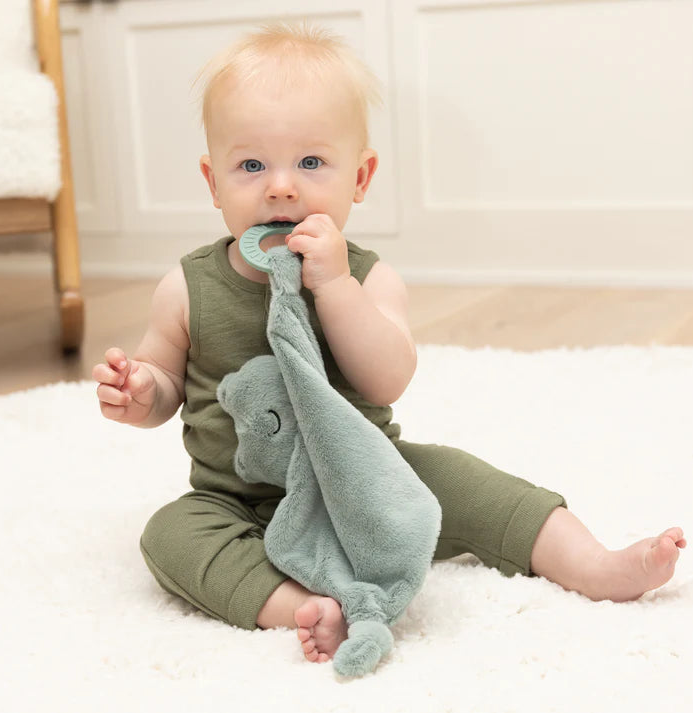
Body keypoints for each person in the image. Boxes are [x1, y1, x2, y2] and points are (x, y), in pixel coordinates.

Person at [92, 22, 686, 665]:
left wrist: (337, 286)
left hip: (369, 484)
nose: (281, 186)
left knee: (469, 481)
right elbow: (167, 382)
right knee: (169, 535)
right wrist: (143, 391)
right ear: (213, 182)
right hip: (238, 502)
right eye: (251, 165)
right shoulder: (186, 287)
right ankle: (300, 605)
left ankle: (594, 563)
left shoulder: (371, 278)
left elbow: (385, 381)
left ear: (361, 177)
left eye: (312, 162)